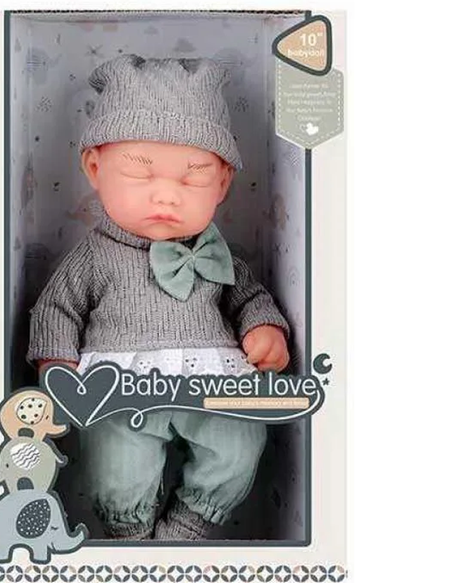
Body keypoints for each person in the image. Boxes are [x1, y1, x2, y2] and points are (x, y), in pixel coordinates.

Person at [27, 54, 290, 540]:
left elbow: (247, 295)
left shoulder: (217, 254)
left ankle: (184, 532)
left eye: (193, 178)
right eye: (140, 175)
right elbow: (56, 309)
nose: (167, 195)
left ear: (223, 183)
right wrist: (56, 364)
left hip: (212, 380)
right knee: (116, 463)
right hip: (119, 385)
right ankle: (132, 538)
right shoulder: (94, 256)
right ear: (94, 167)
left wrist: (265, 327)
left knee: (238, 443)